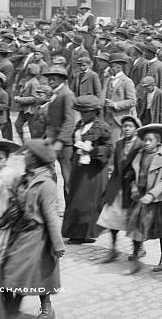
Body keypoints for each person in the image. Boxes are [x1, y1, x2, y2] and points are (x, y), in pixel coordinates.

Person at [2, 140, 65, 319]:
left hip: (37, 236)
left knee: (25, 272)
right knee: (29, 272)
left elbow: (51, 217)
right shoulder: (25, 178)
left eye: (28, 153)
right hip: (19, 232)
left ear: (36, 159)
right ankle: (13, 308)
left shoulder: (46, 185)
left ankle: (36, 309)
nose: (25, 156)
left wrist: (58, 245)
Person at [127, 123, 162, 273]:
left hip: (157, 200)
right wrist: (134, 187)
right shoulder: (138, 156)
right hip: (140, 197)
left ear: (158, 142)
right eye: (145, 140)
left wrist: (151, 195)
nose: (147, 143)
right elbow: (131, 175)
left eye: (150, 140)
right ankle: (137, 252)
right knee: (136, 226)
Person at [62, 94, 113, 243]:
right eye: (80, 112)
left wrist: (92, 150)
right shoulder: (80, 125)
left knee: (87, 200)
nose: (82, 115)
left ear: (94, 111)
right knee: (75, 197)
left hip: (93, 170)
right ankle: (78, 232)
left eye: (85, 112)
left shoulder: (102, 127)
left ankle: (84, 233)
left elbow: (109, 148)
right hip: (79, 167)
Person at [96, 115, 142, 262]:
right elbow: (115, 166)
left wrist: (137, 184)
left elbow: (142, 167)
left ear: (136, 129)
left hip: (133, 187)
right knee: (112, 217)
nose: (127, 129)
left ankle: (137, 249)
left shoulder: (140, 145)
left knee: (133, 219)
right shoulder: (119, 144)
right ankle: (113, 249)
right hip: (118, 186)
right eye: (125, 126)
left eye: (130, 126)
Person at [41, 60, 75, 203]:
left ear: (62, 79)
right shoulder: (56, 94)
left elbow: (69, 121)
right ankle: (51, 201)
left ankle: (70, 207)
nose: (50, 80)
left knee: (68, 178)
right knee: (47, 171)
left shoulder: (67, 94)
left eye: (54, 77)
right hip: (51, 140)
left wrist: (60, 141)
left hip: (63, 144)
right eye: (49, 77)